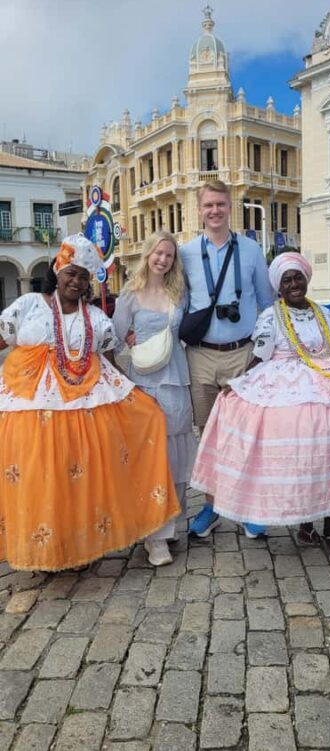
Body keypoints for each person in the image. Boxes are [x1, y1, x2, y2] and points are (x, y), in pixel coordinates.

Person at [190, 252, 330, 552]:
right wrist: (237, 385)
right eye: (287, 280)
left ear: (306, 280)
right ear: (279, 287)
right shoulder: (271, 317)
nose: (294, 283)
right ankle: (306, 525)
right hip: (287, 383)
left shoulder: (325, 316)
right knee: (303, 452)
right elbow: (259, 357)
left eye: (298, 277)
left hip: (329, 380)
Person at [0, 234, 179, 571]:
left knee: (77, 476)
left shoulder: (97, 319)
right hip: (29, 406)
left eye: (84, 276)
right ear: (58, 270)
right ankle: (46, 548)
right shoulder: (29, 305)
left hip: (85, 407)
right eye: (71, 272)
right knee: (42, 477)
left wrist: (137, 397)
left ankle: (94, 542)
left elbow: (110, 362)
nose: (76, 281)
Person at [180, 180, 273, 538]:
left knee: (246, 435)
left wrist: (268, 352)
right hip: (201, 356)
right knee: (208, 436)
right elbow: (177, 303)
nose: (214, 211)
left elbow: (267, 304)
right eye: (208, 206)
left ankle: (248, 508)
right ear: (199, 210)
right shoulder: (187, 253)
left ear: (229, 206)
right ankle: (212, 506)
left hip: (242, 356)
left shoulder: (250, 250)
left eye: (220, 204)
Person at [113, 230, 197, 566]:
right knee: (152, 459)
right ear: (147, 254)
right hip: (146, 384)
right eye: (158, 253)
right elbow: (115, 340)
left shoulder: (180, 293)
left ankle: (172, 522)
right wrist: (131, 349)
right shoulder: (130, 296)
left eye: (169, 255)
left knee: (176, 458)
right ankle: (154, 535)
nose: (163, 259)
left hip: (176, 381)